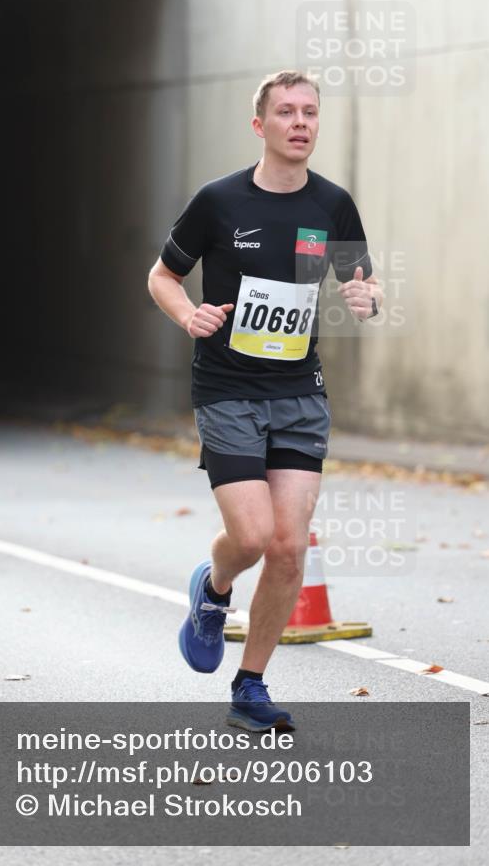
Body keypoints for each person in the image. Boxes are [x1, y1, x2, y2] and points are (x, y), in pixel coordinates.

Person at [147, 70, 383, 731]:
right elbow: (162, 275)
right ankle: (214, 586)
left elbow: (363, 286)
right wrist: (187, 314)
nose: (300, 122)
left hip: (299, 391)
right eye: (286, 112)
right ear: (260, 125)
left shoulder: (332, 205)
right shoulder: (218, 201)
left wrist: (366, 297)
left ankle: (249, 685)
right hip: (227, 389)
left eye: (309, 112)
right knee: (251, 538)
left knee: (287, 547)